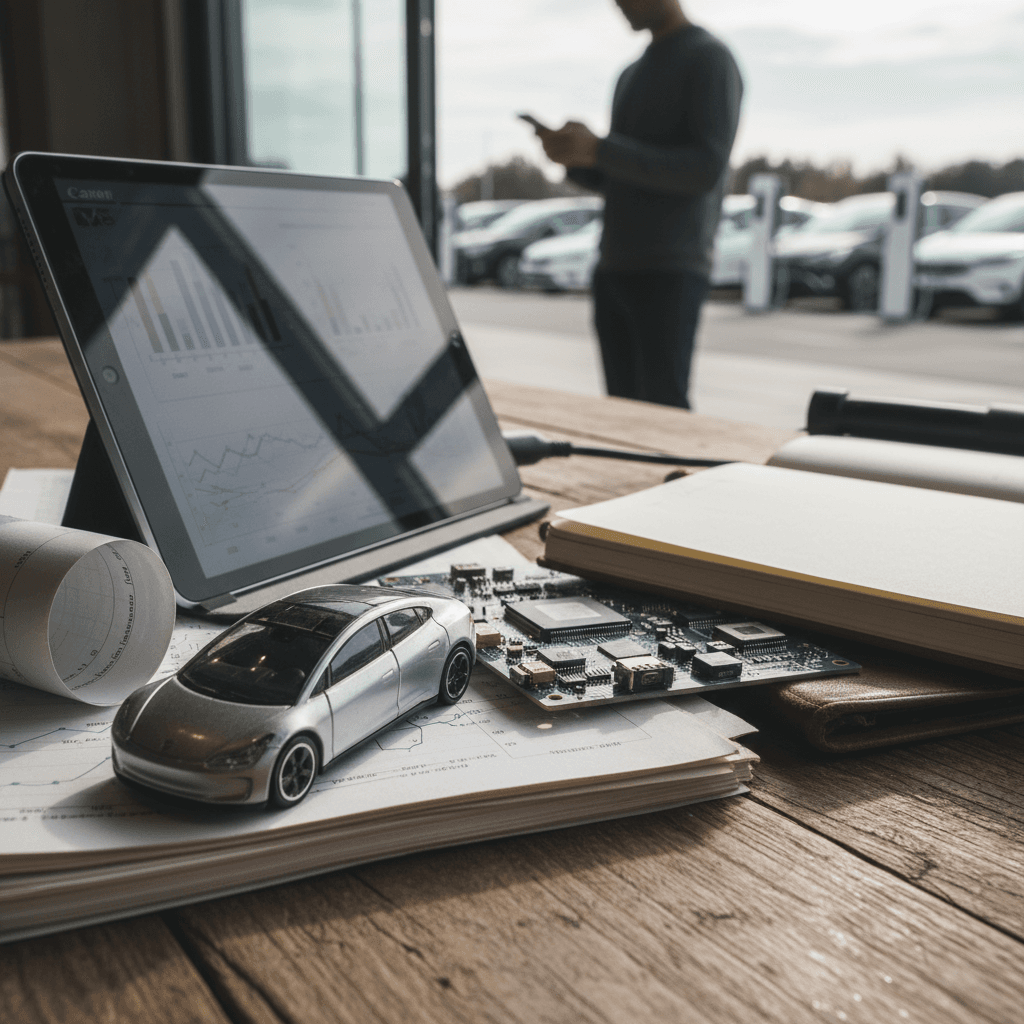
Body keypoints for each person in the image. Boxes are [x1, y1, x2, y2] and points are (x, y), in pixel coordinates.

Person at [534, 0, 742, 408]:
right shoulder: (631, 72)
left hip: (670, 268)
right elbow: (620, 175)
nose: (620, 6)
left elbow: (704, 170)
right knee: (621, 413)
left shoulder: (709, 58)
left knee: (663, 414)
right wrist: (575, 159)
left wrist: (601, 150)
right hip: (614, 266)